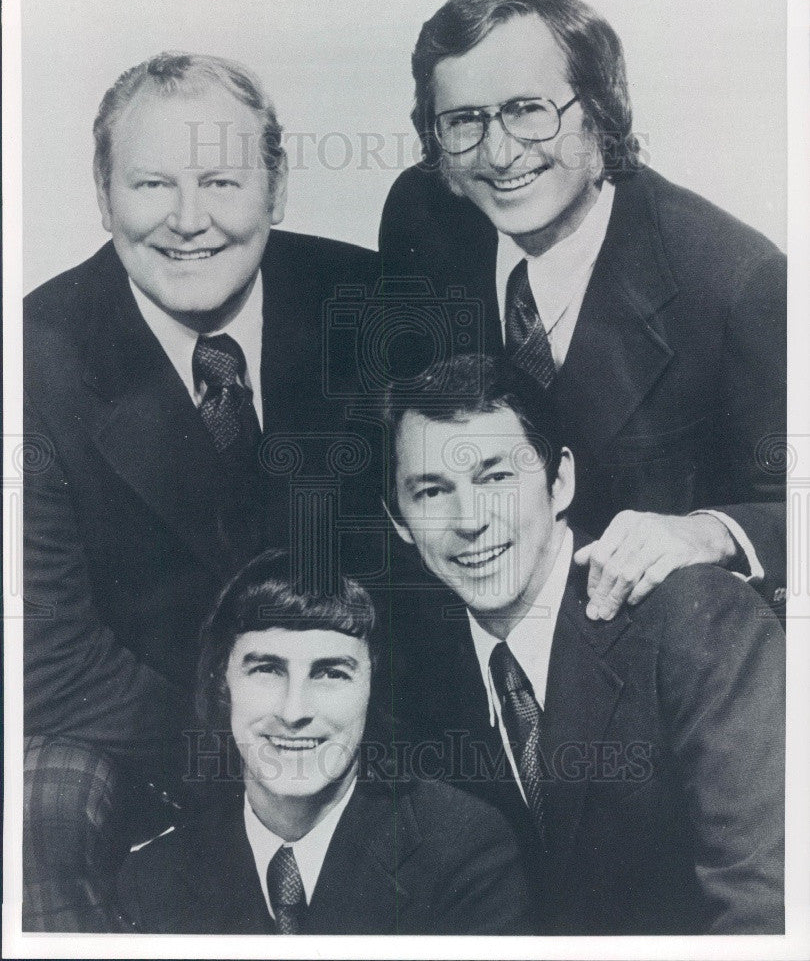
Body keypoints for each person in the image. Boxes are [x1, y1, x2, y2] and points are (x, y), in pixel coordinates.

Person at [23, 52, 379, 930]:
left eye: (222, 179)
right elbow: (46, 657)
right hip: (147, 736)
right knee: (40, 813)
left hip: (365, 720)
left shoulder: (369, 305)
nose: (189, 222)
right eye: (151, 184)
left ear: (278, 187)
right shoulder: (31, 362)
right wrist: (248, 754)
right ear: (103, 196)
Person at [378, 0, 787, 622]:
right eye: (465, 121)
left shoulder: (738, 285)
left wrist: (709, 532)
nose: (500, 153)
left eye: (528, 109)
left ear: (598, 113)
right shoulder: (423, 219)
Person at [381, 354, 784, 935]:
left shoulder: (695, 619)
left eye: (495, 477)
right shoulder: (411, 685)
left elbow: (769, 906)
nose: (469, 520)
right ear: (400, 523)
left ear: (560, 480)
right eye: (431, 492)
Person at [116, 549, 531, 934]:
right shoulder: (153, 880)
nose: (294, 711)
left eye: (331, 673)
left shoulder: (463, 853)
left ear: (373, 688)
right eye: (266, 670)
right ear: (221, 684)